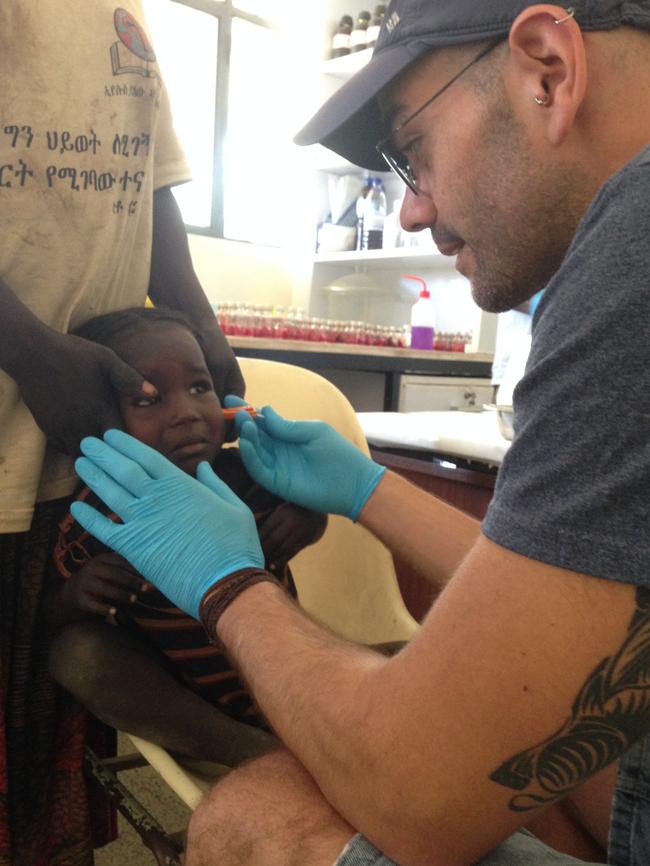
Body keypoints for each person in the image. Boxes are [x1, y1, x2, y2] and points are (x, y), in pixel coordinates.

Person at [67, 0, 650, 864]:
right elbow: (589, 588)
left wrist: (223, 584)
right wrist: (369, 490)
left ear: (547, 71)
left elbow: (414, 795)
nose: (411, 211)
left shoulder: (630, 267)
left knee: (255, 812)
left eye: (412, 149)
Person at [0, 3, 242, 864]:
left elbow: (151, 179)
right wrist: (25, 349)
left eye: (198, 391)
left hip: (72, 438)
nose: (186, 411)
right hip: (21, 426)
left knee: (45, 769)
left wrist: (202, 325)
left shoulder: (121, 12)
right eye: (159, 394)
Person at [46, 307, 326, 767]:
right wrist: (76, 595)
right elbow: (47, 622)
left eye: (199, 387)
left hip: (295, 678)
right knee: (75, 655)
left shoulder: (249, 474)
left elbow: (316, 516)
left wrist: (308, 517)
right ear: (96, 415)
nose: (188, 413)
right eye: (148, 400)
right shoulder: (100, 512)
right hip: (196, 713)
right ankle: (259, 758)